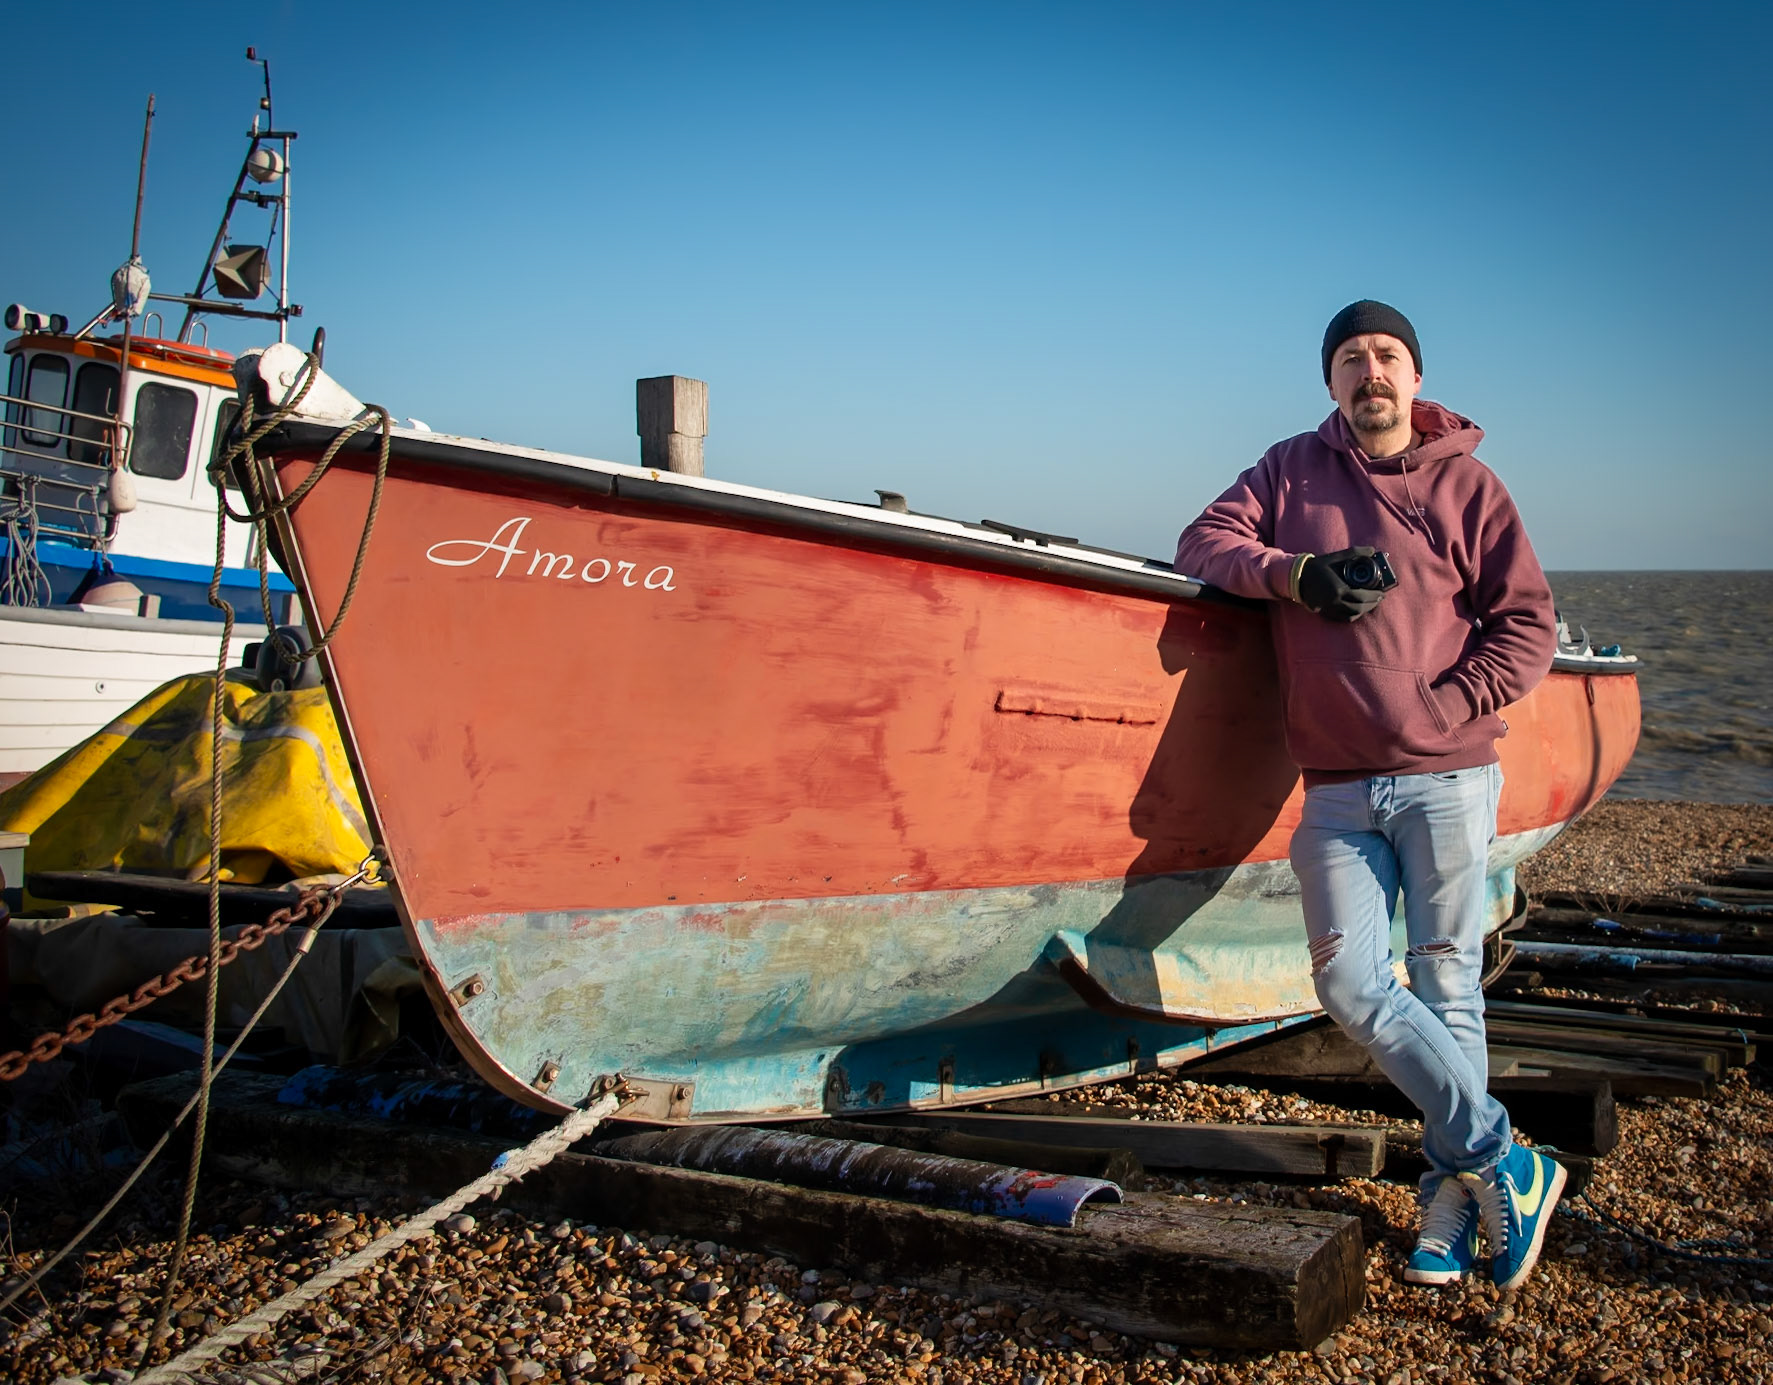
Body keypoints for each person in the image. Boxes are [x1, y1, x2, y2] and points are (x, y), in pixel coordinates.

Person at [1173, 300, 1563, 1293]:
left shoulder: (1469, 483)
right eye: (1351, 358)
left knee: (1445, 980)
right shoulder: (1288, 468)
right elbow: (1203, 542)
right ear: (1332, 383)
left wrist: (1453, 702)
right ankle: (1498, 1153)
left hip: (1448, 776)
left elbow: (1526, 623)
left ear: (1416, 378)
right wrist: (1295, 572)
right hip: (1337, 788)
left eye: (1387, 354)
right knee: (1350, 983)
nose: (1371, 370)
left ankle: (1450, 1194)